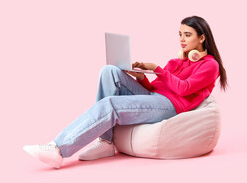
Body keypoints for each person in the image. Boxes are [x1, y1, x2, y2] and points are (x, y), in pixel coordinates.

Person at [23, 16, 228, 169]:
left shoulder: (210, 65)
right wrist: (141, 78)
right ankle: (106, 141)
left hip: (171, 106)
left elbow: (184, 89)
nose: (182, 40)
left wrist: (158, 69)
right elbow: (156, 88)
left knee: (110, 104)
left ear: (202, 38)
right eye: (180, 34)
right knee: (109, 71)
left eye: (188, 35)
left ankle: (58, 149)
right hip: (155, 98)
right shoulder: (177, 60)